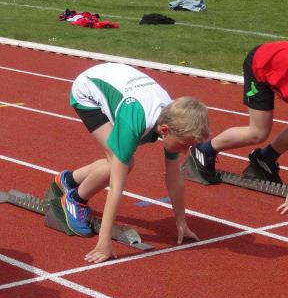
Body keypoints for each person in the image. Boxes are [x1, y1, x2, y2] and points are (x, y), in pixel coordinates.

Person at [57, 63, 209, 263]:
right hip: (87, 92)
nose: (185, 152)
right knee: (121, 164)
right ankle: (75, 199)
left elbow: (174, 178)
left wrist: (181, 223)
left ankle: (69, 179)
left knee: (118, 160)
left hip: (122, 85)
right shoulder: (134, 122)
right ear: (164, 131)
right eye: (184, 145)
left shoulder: (176, 119)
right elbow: (116, 187)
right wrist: (104, 241)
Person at [188, 42, 288, 193]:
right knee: (257, 133)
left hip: (278, 65)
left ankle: (265, 159)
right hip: (260, 64)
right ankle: (203, 151)